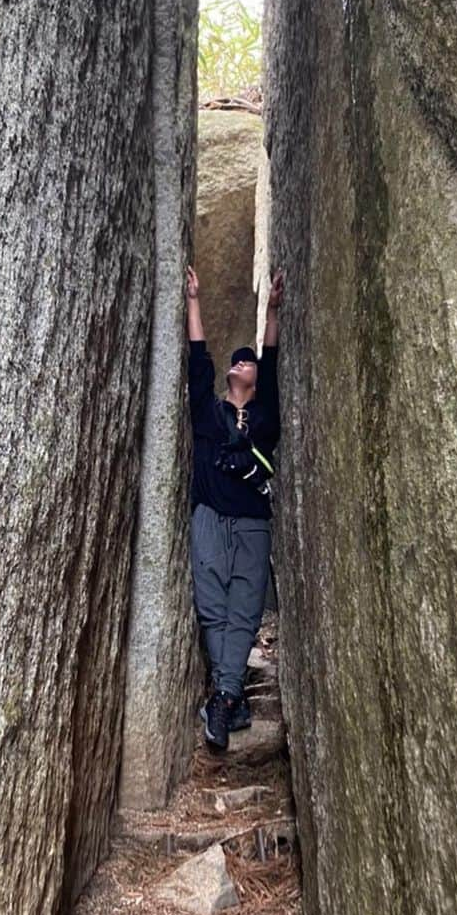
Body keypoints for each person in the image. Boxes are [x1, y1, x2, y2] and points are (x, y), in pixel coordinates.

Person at [185, 264, 284, 751]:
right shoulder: (208, 413)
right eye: (238, 360)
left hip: (251, 525)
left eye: (249, 362)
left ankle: (223, 699)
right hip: (209, 517)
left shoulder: (264, 420)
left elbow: (275, 357)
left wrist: (272, 312)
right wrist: (194, 302)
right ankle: (230, 698)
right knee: (213, 609)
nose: (241, 362)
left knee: (244, 610)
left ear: (256, 378)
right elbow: (197, 361)